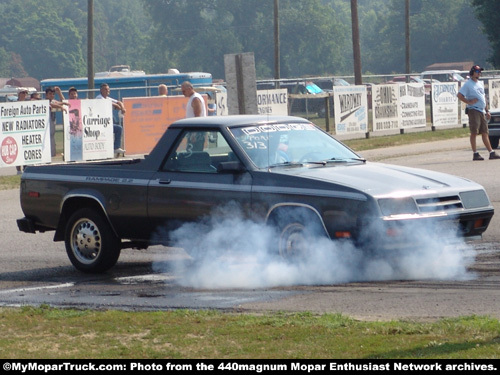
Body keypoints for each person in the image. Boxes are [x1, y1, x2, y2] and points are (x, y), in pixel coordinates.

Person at [458, 65, 500, 161]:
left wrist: (487, 110)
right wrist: (468, 102)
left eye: (479, 71)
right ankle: (475, 153)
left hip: (481, 110)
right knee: (474, 132)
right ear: (472, 72)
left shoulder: (480, 83)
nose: (479, 73)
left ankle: (491, 152)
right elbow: (459, 95)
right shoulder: (468, 84)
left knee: (485, 132)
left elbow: (483, 97)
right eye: (477, 71)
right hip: (473, 110)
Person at [96, 83, 126, 155]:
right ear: (101, 90)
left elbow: (119, 102)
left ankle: (116, 147)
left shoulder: (108, 98)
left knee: (118, 128)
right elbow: (108, 103)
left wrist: (122, 108)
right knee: (118, 128)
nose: (107, 91)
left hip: (107, 122)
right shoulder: (99, 97)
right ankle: (112, 148)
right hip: (99, 123)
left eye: (108, 89)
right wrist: (116, 105)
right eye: (106, 89)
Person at [45, 87, 68, 157]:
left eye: (53, 94)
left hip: (52, 126)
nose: (51, 95)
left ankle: (52, 155)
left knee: (52, 138)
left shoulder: (53, 101)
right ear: (46, 95)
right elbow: (51, 105)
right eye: (50, 94)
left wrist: (59, 93)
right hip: (46, 127)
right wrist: (60, 107)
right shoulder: (45, 102)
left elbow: (61, 102)